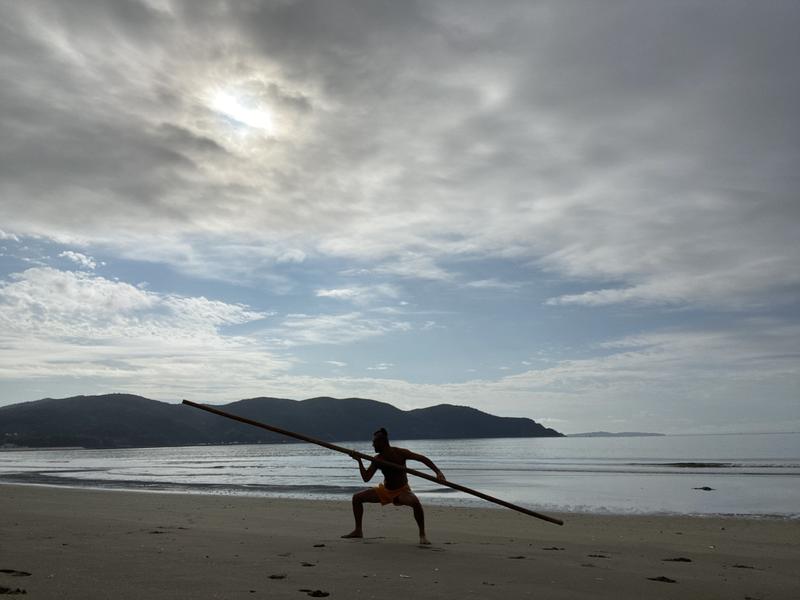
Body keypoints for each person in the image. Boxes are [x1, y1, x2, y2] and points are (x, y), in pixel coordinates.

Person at [341, 427, 445, 545]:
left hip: (402, 491)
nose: (372, 445)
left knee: (416, 503)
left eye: (374, 442)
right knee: (357, 498)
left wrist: (438, 472)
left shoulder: (400, 453)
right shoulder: (377, 459)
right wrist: (359, 461)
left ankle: (422, 535)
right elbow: (366, 478)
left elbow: (422, 459)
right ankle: (358, 530)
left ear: (382, 442)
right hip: (386, 490)